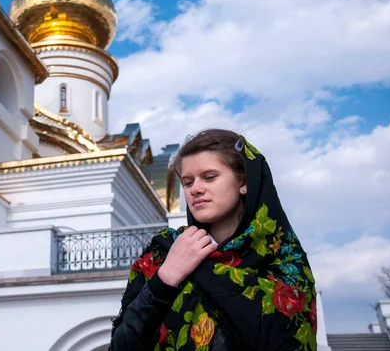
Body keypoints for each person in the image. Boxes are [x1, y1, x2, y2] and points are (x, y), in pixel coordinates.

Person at [109, 129, 317, 351]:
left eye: (209, 177)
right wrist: (166, 279)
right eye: (188, 183)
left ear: (244, 182)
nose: (196, 190)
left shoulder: (282, 261)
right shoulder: (163, 253)